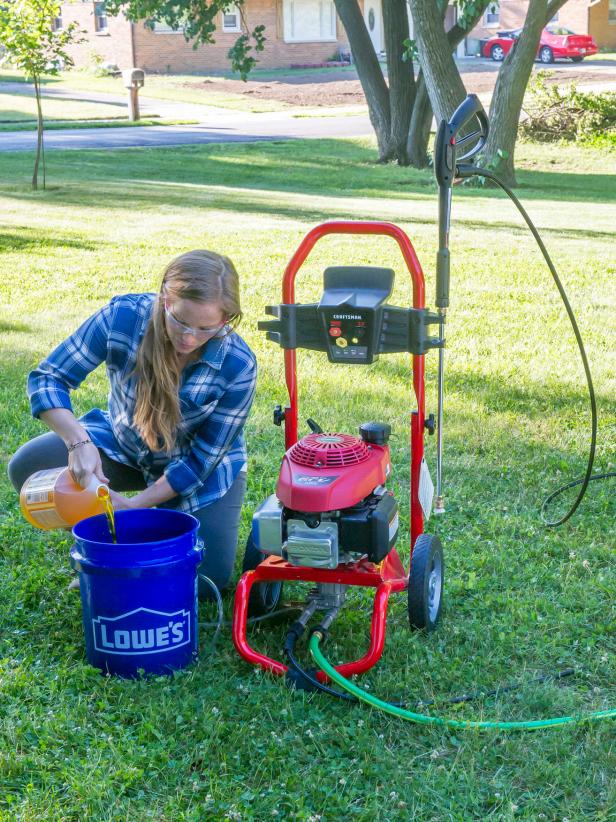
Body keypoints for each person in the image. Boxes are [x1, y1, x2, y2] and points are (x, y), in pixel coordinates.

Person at [8, 250, 257, 597]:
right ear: (164, 298)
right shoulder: (123, 317)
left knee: (204, 579)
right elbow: (48, 378)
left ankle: (123, 541)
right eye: (180, 321)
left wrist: (134, 506)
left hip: (196, 469)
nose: (189, 338)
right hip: (124, 442)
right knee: (31, 467)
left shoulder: (238, 364)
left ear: (227, 318)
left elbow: (202, 461)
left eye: (206, 329)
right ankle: (103, 549)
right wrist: (79, 443)